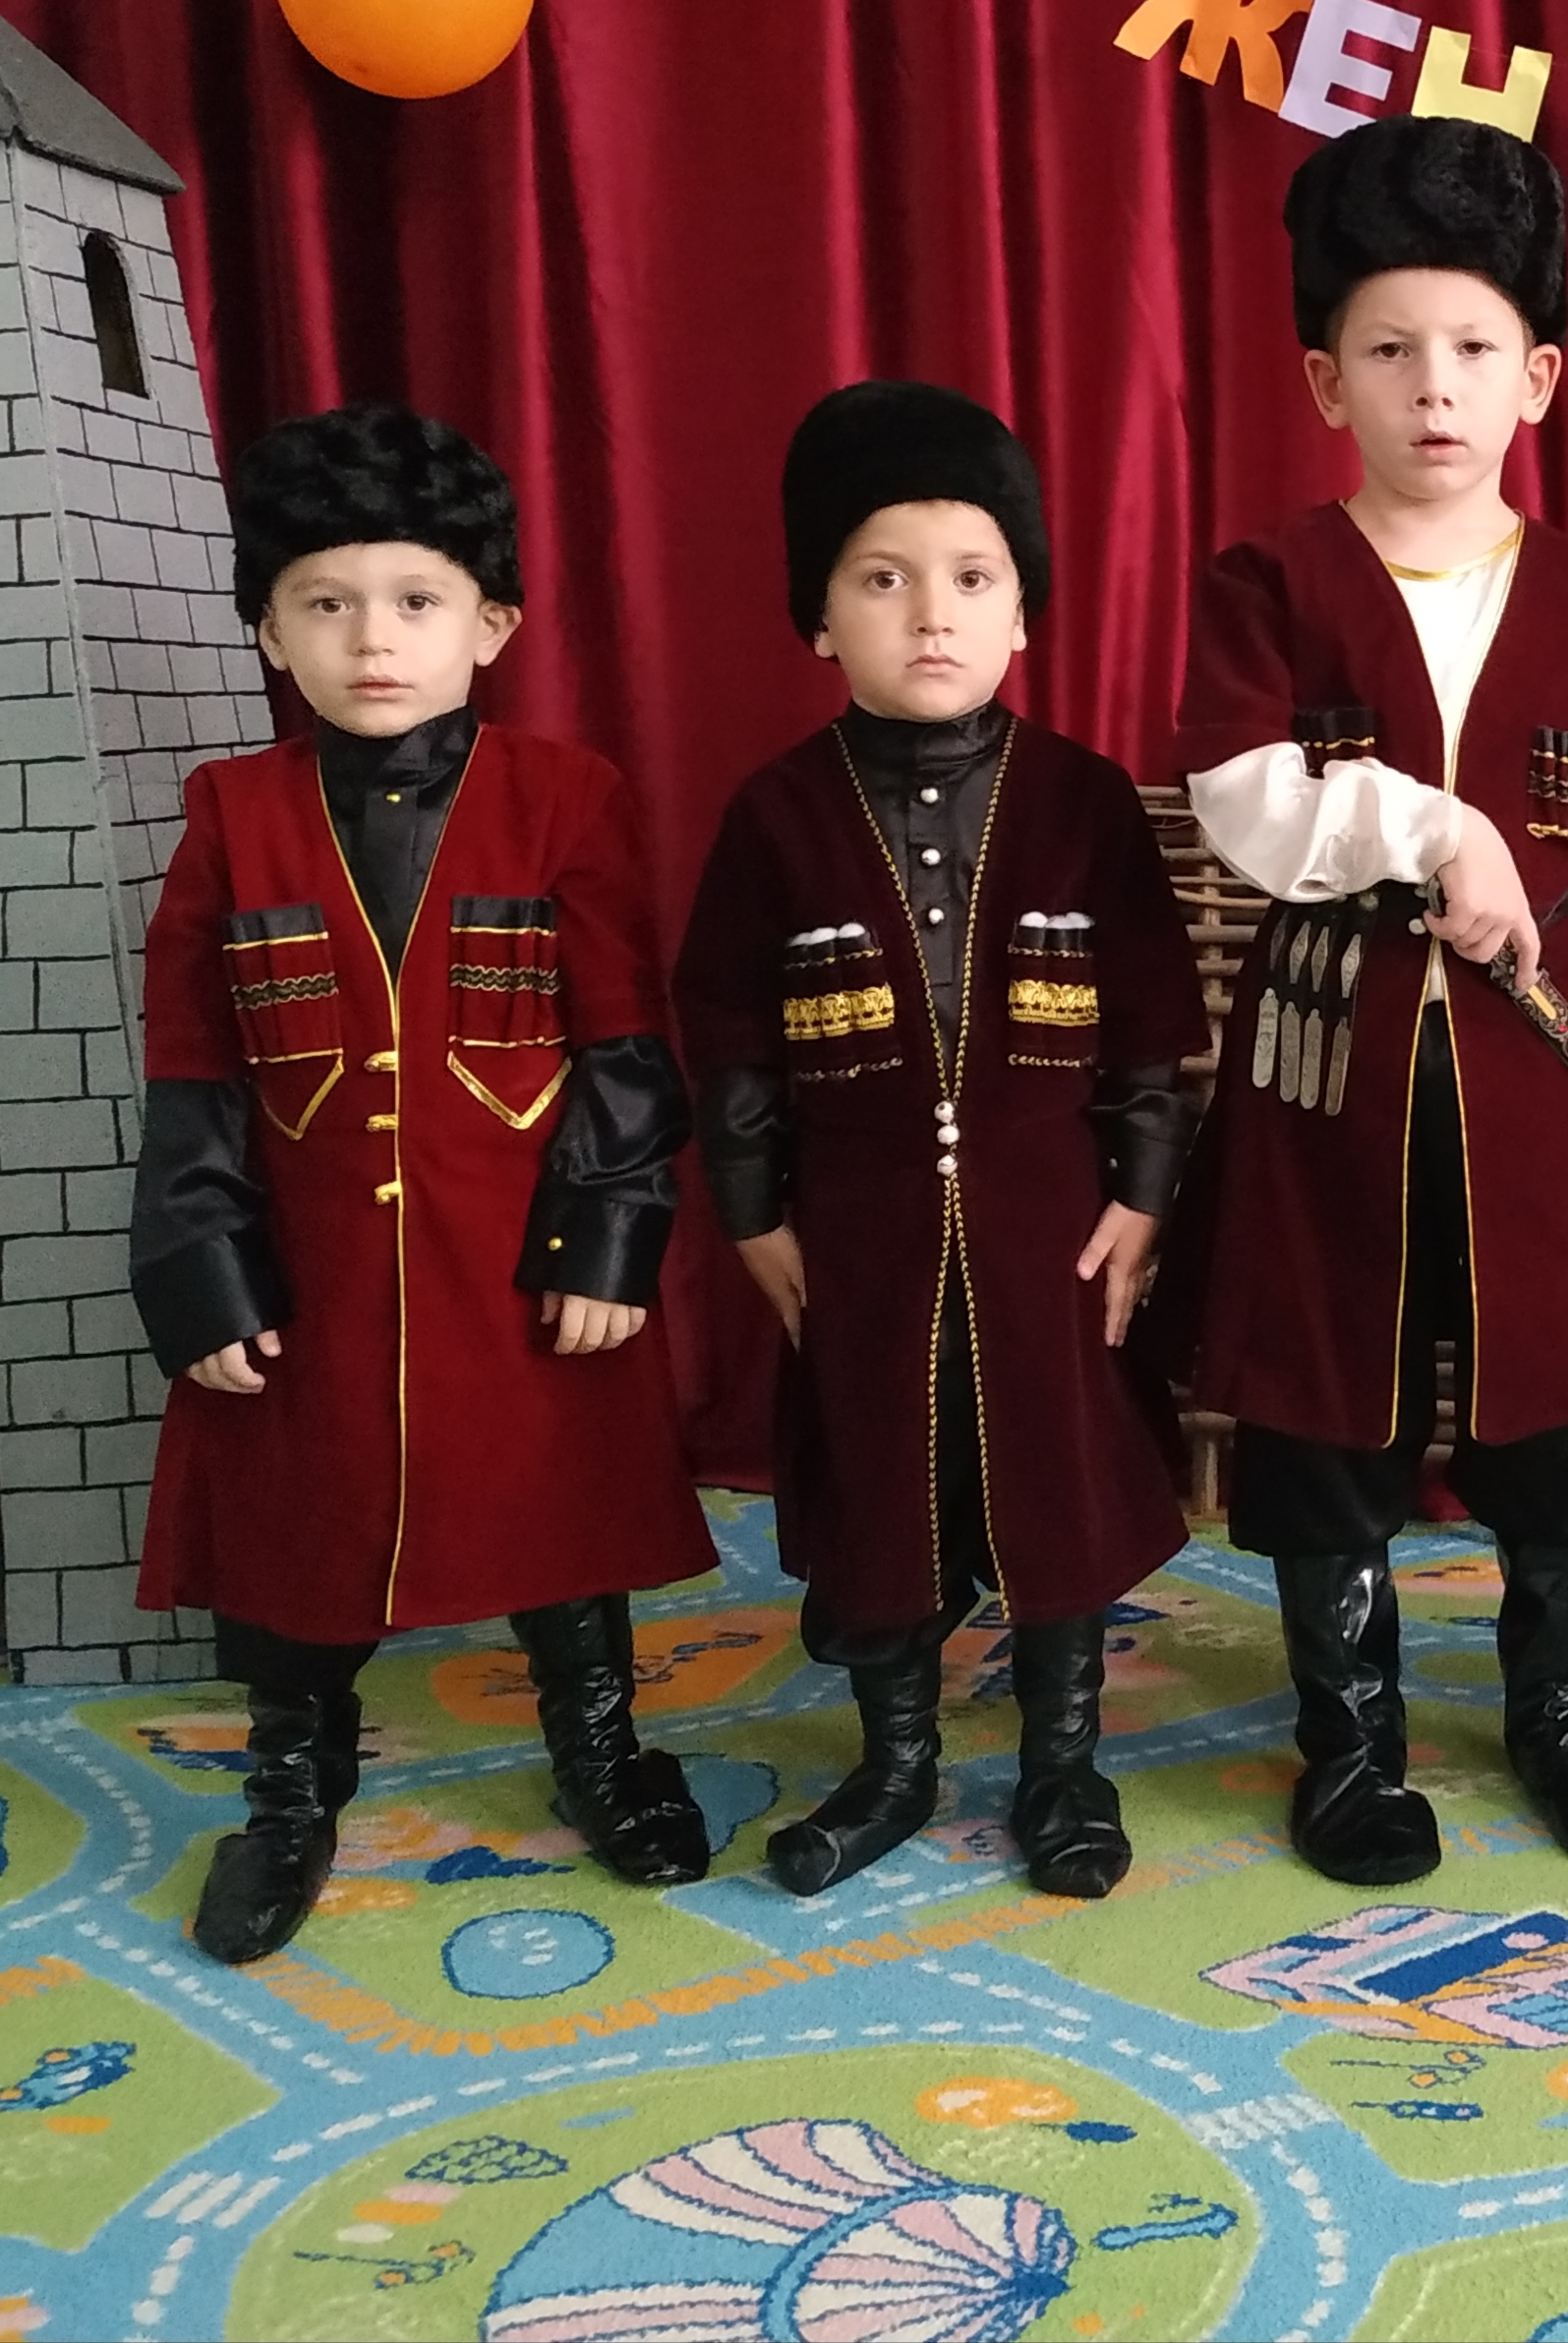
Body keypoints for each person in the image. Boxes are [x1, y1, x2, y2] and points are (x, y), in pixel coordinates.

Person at [1168, 116, 1568, 1887]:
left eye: (1473, 346)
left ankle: (1562, 1714)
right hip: (1331, 1065)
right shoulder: (1270, 581)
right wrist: (1433, 826)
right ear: (1328, 381)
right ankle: (1349, 1743)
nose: (1434, 385)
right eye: (1389, 350)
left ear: (1536, 377)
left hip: (1550, 1079)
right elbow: (1245, 800)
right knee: (1328, 1405)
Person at [131, 404, 717, 1964]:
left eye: (414, 600)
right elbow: (194, 1072)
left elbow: (622, 1041)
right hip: (311, 1272)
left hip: (520, 1259)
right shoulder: (228, 816)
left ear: (491, 624)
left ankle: (602, 1748)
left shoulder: (566, 797)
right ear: (270, 629)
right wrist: (202, 1275)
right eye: (324, 603)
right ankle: (288, 1794)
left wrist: (608, 1240)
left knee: (563, 1519)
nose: (372, 638)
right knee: (294, 1537)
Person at [674, 381, 1208, 1902]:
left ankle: (1063, 1765)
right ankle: (895, 1764)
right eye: (882, 578)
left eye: (973, 578)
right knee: (881, 1488)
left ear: (1023, 613)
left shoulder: (1085, 804)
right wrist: (754, 1214)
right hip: (860, 1234)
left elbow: (1150, 1034)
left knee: (1057, 1486)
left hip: (1054, 1230)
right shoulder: (776, 816)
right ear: (818, 617)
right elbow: (732, 1039)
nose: (931, 614)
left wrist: (1143, 1201)